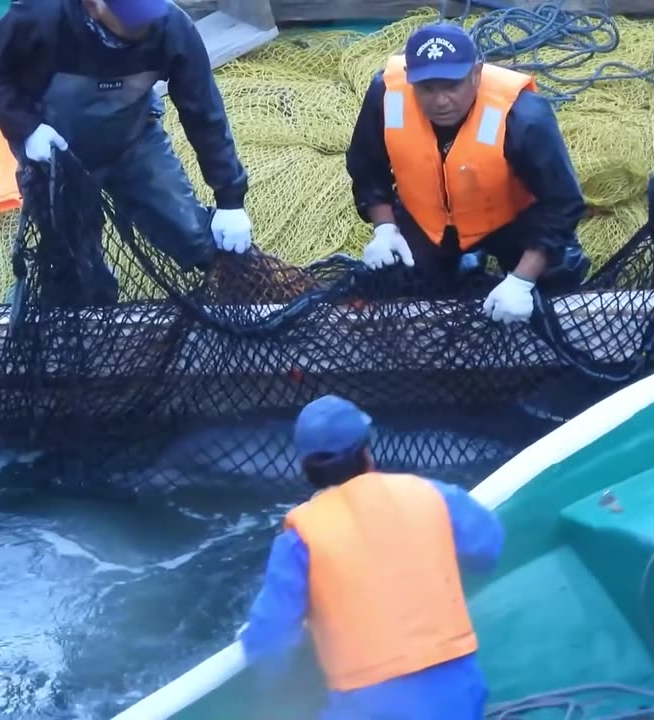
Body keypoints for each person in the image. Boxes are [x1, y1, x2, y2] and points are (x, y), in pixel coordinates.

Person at [238, 394, 505, 719]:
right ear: (366, 451)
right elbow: (488, 547)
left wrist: (273, 688)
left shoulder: (299, 540)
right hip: (459, 699)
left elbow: (269, 639)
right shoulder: (432, 494)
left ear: (307, 469)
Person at [0, 0, 254, 284]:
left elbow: (203, 113)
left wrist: (230, 199)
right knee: (75, 265)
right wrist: (28, 129)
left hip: (133, 142)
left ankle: (228, 280)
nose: (142, 29)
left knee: (191, 232)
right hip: (56, 152)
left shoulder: (170, 25)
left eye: (146, 21)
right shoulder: (41, 15)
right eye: (128, 26)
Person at [345, 23, 591, 325]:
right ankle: (462, 264)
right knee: (391, 278)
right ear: (410, 77)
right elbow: (367, 167)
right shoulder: (386, 95)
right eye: (427, 87)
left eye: (452, 86)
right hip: (428, 219)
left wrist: (522, 281)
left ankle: (510, 268)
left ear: (476, 73)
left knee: (557, 276)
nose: (440, 101)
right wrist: (385, 229)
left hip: (510, 218)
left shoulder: (523, 115)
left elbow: (562, 202)